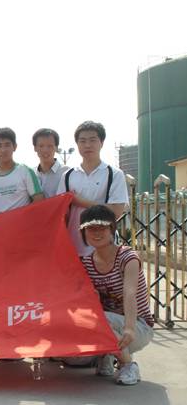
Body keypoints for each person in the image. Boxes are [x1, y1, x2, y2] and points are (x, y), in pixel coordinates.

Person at [79, 205, 153, 385]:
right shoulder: (86, 263)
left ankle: (128, 364)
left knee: (97, 319)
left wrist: (129, 328)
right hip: (107, 324)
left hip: (137, 326)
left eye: (102, 228)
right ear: (83, 233)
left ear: (112, 229)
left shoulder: (128, 257)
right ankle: (106, 354)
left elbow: (130, 293)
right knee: (74, 355)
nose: (97, 233)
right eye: (91, 228)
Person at [56, 121, 129, 257]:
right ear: (77, 144)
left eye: (92, 140)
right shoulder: (68, 176)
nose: (87, 145)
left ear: (102, 143)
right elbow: (61, 212)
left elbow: (116, 211)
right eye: (82, 141)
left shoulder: (114, 174)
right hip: (74, 247)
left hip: (104, 248)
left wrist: (79, 201)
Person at [0, 127, 44, 213]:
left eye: (7, 145)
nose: (3, 150)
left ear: (15, 147)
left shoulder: (25, 171)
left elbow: (39, 200)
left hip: (22, 222)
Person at [32, 128, 69, 198]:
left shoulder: (67, 172)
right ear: (35, 148)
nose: (45, 150)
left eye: (50, 146)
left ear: (56, 148)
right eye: (41, 146)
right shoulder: (31, 174)